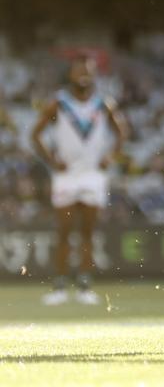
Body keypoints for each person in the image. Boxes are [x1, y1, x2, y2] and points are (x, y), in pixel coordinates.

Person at [30, 55, 128, 305]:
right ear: (70, 75)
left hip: (93, 175)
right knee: (63, 232)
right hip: (66, 175)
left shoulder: (103, 104)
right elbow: (35, 134)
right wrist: (52, 161)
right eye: (79, 71)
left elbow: (122, 132)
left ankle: (84, 286)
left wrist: (111, 156)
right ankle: (60, 287)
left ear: (94, 75)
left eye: (88, 71)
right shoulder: (59, 103)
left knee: (87, 232)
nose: (83, 75)